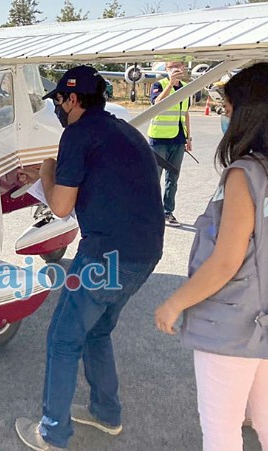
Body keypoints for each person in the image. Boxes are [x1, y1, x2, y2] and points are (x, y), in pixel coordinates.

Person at [15, 65, 164, 450]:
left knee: (63, 339)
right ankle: (106, 412)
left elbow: (61, 206)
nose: (57, 110)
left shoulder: (77, 134)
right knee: (98, 331)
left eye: (59, 101)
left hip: (104, 256)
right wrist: (51, 174)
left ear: (73, 99)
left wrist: (47, 170)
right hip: (144, 256)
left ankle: (52, 433)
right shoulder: (124, 130)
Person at [155, 62, 268, 451]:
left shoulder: (245, 174)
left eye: (229, 108)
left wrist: (174, 302)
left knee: (221, 429)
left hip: (233, 323)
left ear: (252, 112)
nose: (224, 115)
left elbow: (225, 260)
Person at [148, 60, 193, 227]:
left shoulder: (186, 88)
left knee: (173, 178)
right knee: (155, 177)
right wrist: (170, 86)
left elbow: (186, 113)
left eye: (179, 66)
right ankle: (152, 211)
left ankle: (168, 212)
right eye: (172, 66)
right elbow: (156, 104)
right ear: (166, 69)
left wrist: (188, 137)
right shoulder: (159, 85)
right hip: (159, 138)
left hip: (178, 139)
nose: (176, 69)